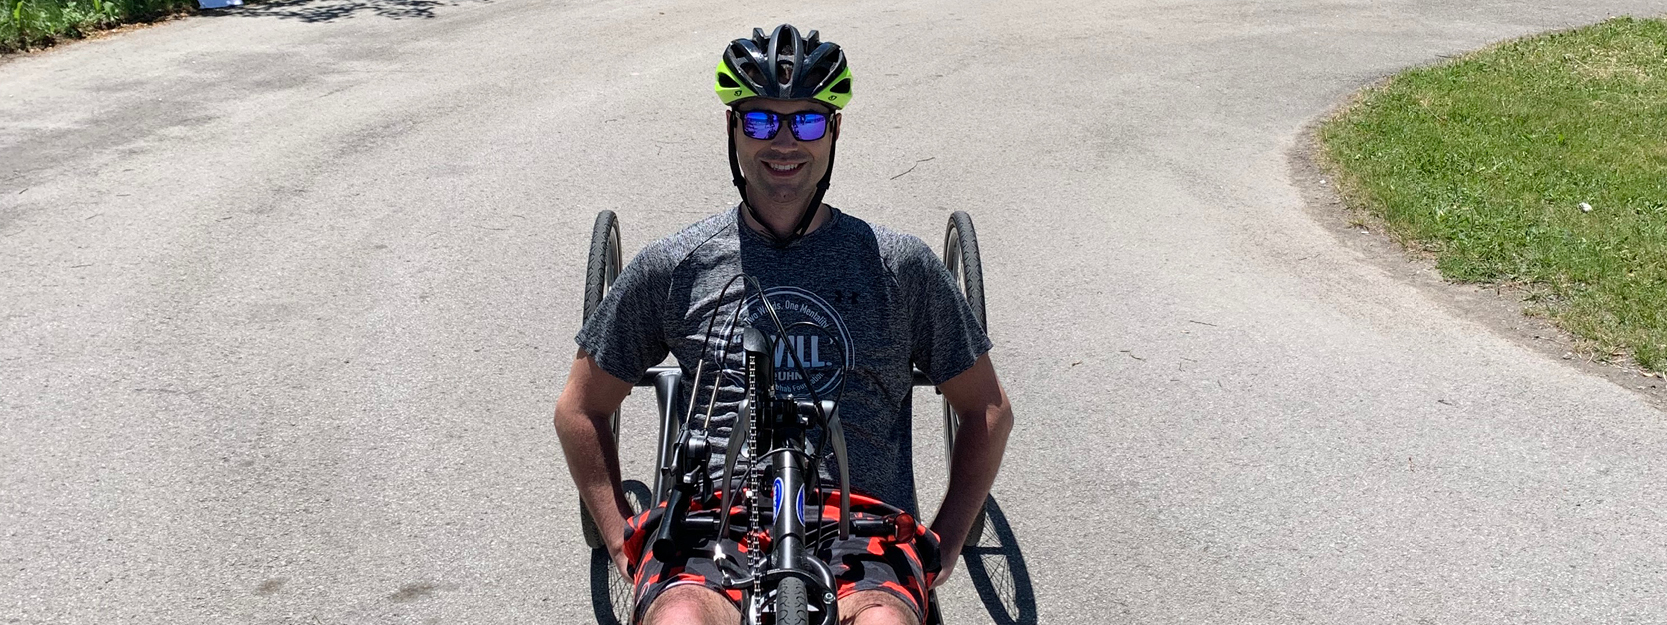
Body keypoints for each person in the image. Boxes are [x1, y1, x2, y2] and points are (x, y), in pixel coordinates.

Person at [553, 24, 1014, 625]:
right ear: (733, 130)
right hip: (713, 519)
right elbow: (579, 408)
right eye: (762, 121)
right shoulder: (679, 266)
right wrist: (620, 541)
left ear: (835, 130)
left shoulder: (900, 267)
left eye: (808, 121)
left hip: (862, 524)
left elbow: (986, 409)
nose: (785, 142)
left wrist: (946, 543)